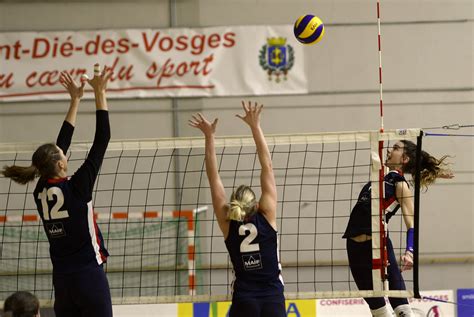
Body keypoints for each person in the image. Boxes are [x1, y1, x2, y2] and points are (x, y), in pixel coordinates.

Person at [1, 65, 113, 317]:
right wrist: (100, 92)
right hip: (89, 276)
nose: (65, 152)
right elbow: (102, 138)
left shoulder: (41, 191)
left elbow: (60, 144)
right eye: (63, 154)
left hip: (62, 281)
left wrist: (75, 101)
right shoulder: (77, 187)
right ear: (60, 163)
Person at [189, 101, 286, 317]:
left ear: (234, 204)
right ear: (257, 204)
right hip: (273, 298)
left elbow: (213, 178)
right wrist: (255, 126)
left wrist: (209, 136)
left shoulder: (227, 221)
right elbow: (267, 166)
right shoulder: (267, 214)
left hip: (245, 299)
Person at [343, 140, 452, 317]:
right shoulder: (379, 176)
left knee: (402, 309)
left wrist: (410, 251)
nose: (389, 150)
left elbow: (411, 224)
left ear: (405, 158)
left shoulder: (400, 184)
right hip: (353, 246)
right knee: (379, 311)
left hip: (378, 246)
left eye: (395, 148)